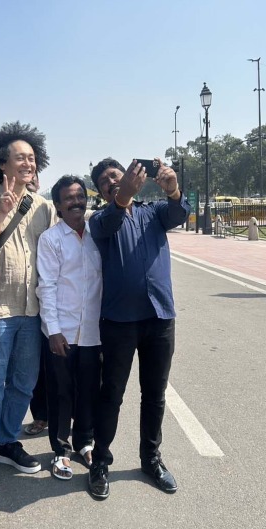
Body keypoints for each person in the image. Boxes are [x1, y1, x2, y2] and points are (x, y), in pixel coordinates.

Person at [87, 157, 190, 500]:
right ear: (100, 191)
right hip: (119, 321)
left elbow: (178, 214)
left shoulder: (153, 212)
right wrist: (124, 196)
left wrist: (172, 190)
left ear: (131, 174)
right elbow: (110, 221)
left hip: (159, 317)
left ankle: (151, 459)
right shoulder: (101, 218)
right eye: (104, 181)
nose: (111, 181)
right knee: (111, 394)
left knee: (155, 394)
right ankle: (100, 461)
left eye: (115, 175)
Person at [0, 121, 57, 494]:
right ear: (1, 164)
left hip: (32, 311)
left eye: (32, 158)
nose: (28, 163)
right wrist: (2, 213)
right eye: (21, 158)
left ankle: (6, 441)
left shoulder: (43, 206)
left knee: (23, 383)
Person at [36, 175, 102, 479]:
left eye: (80, 196)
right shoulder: (51, 239)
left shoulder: (97, 234)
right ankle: (61, 450)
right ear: (58, 206)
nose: (76, 202)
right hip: (61, 330)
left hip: (92, 331)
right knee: (61, 393)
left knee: (89, 390)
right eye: (69, 198)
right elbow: (46, 286)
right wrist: (53, 330)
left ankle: (85, 442)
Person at [24, 172, 49, 436]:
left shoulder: (47, 208)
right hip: (26, 300)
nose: (30, 179)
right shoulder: (5, 206)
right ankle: (40, 415)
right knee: (36, 366)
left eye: (34, 175)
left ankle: (69, 415)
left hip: (52, 297)